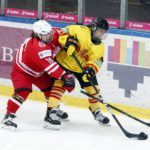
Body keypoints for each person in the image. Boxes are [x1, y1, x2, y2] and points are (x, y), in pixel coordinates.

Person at [1, 20, 75, 129]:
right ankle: (7, 117)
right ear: (38, 35)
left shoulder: (52, 33)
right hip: (23, 72)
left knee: (51, 89)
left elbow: (62, 32)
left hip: (38, 71)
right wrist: (65, 76)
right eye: (45, 35)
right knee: (22, 92)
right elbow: (51, 67)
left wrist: (69, 41)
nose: (49, 36)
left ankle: (53, 110)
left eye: (49, 33)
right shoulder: (37, 46)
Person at [45, 17, 110, 129]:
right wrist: (67, 41)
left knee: (93, 89)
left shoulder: (100, 47)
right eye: (100, 31)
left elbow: (97, 61)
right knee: (59, 86)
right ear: (93, 27)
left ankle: (96, 111)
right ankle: (51, 112)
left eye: (104, 32)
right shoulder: (79, 30)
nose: (101, 34)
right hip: (64, 62)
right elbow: (61, 32)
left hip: (82, 68)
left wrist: (91, 69)